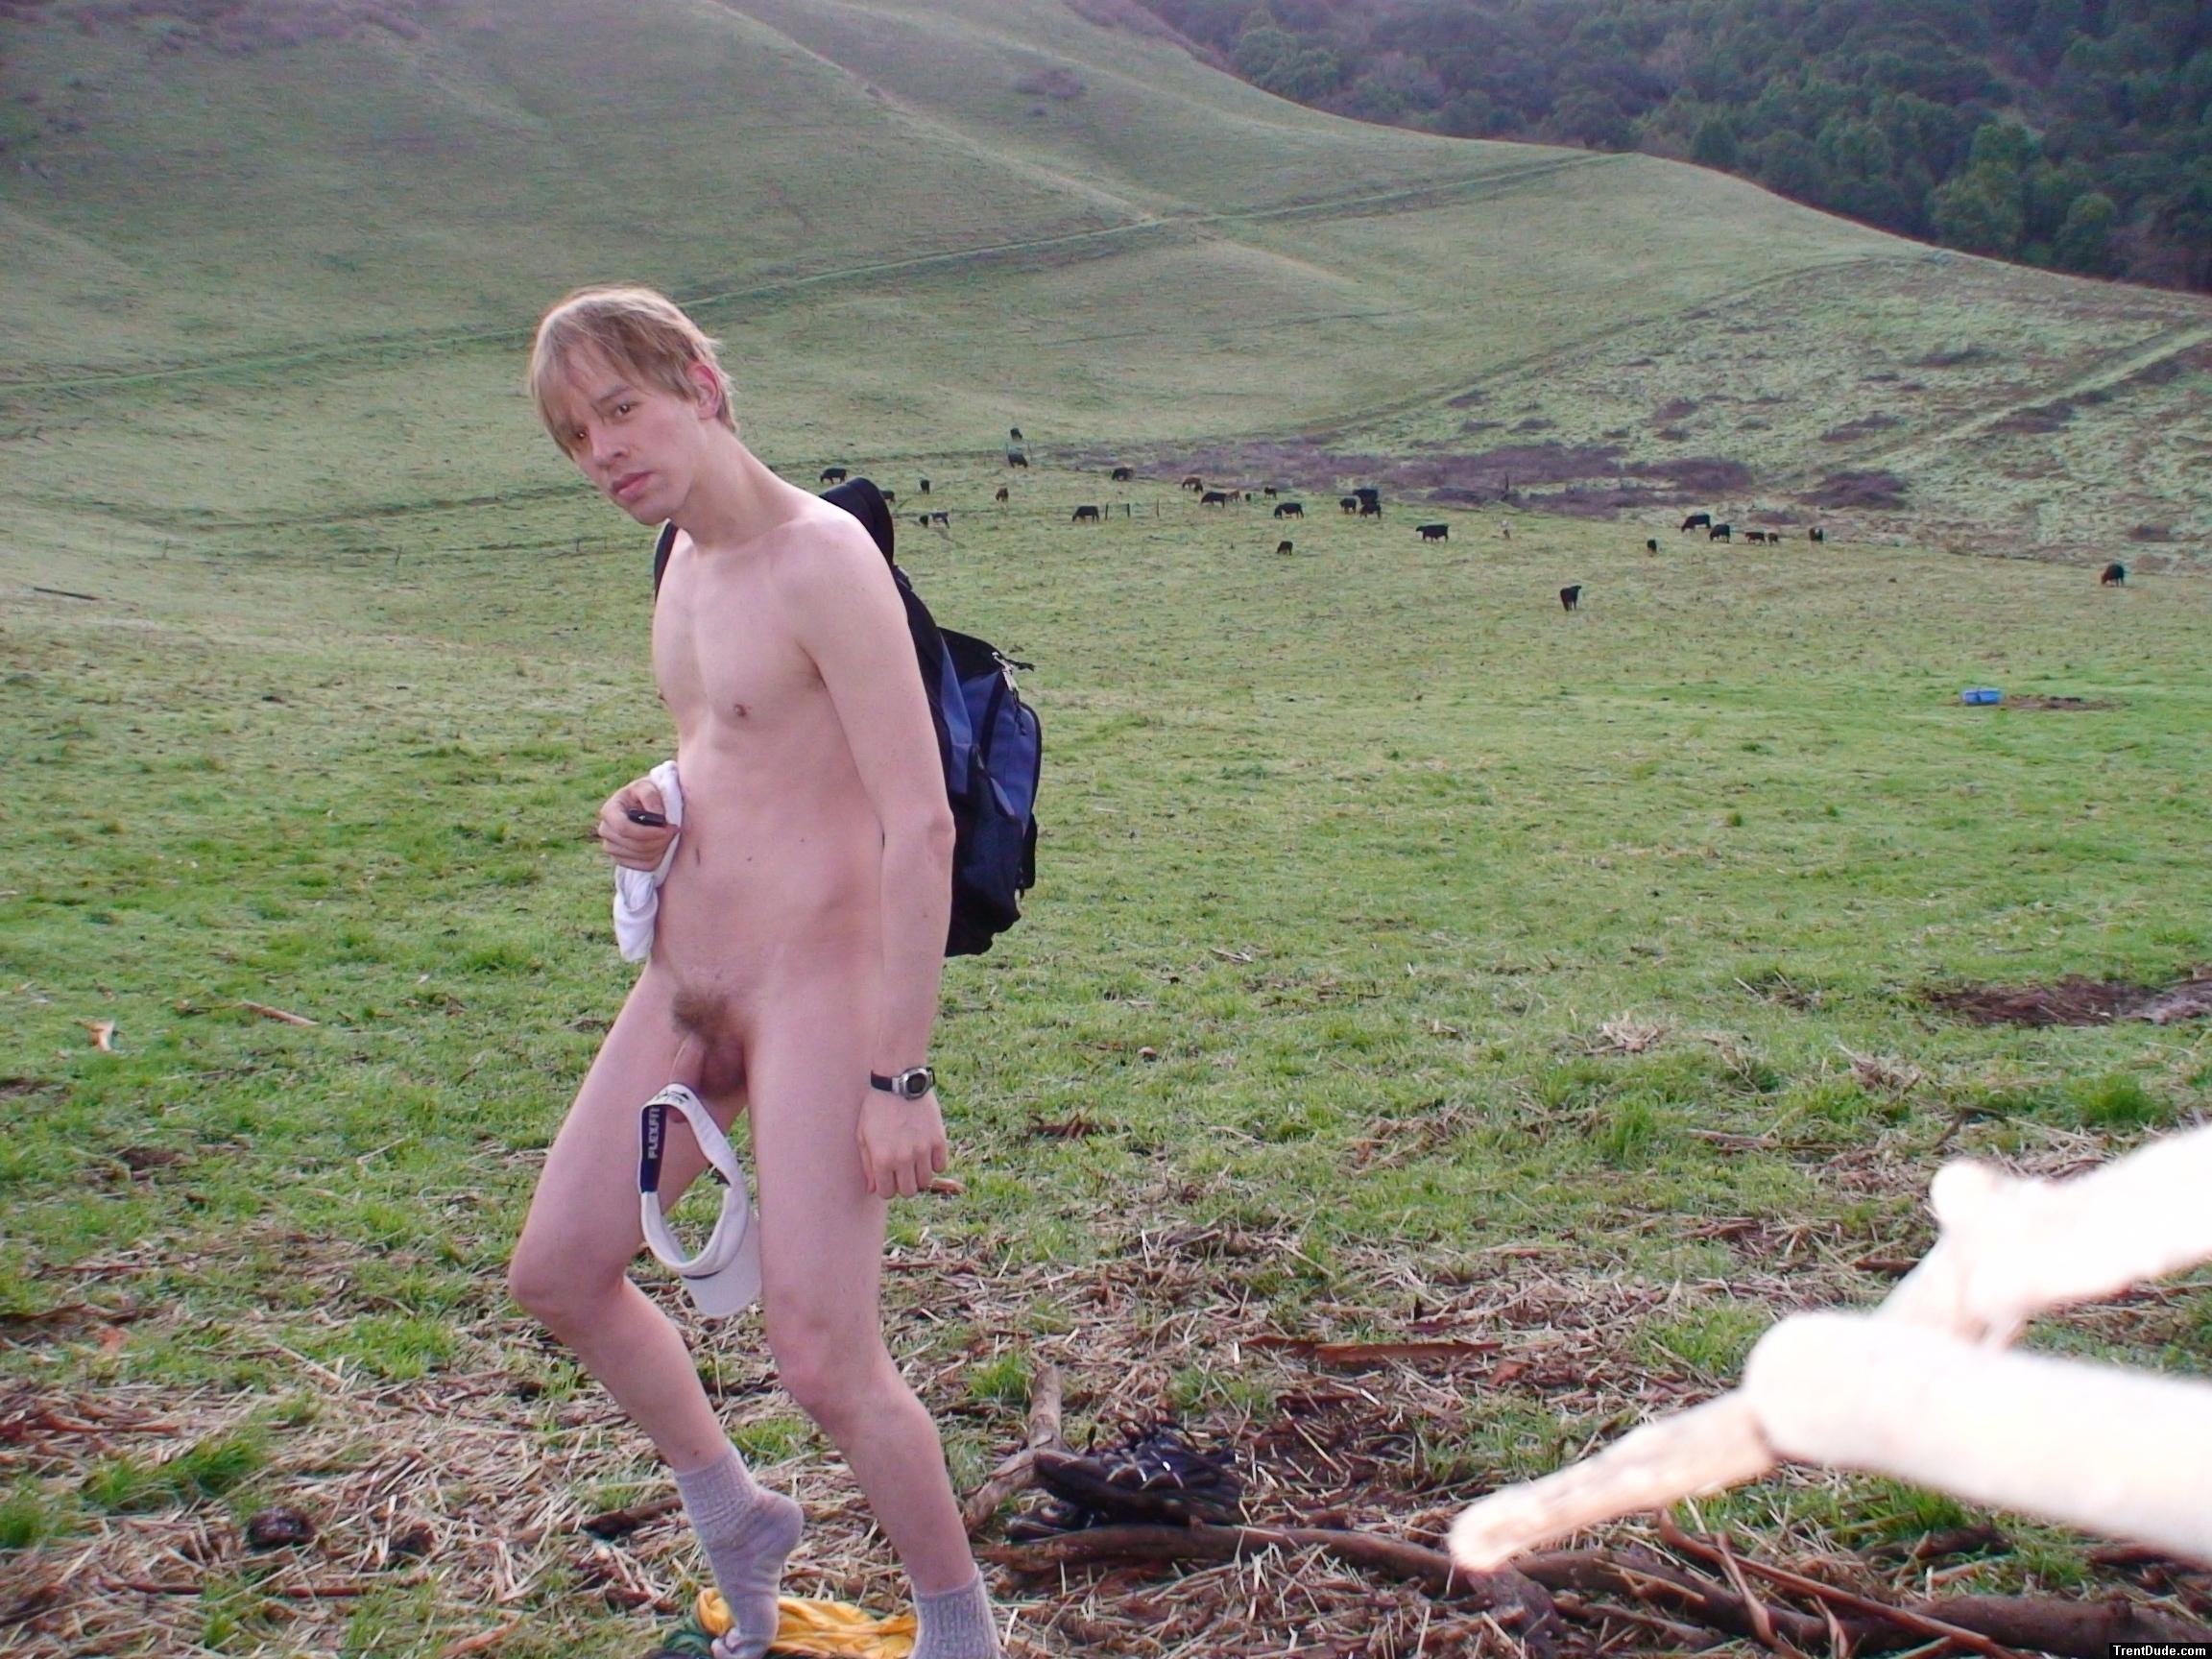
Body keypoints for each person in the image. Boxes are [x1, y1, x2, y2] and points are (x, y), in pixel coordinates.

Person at [508, 285, 999, 1659]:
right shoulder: (679, 557)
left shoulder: (822, 558)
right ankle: (737, 1513)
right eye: (576, 435)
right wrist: (641, 811)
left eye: (622, 409)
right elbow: (726, 750)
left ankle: (961, 1633)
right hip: (686, 981)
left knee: (825, 1358)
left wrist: (899, 1076)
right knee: (559, 1272)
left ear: (702, 386)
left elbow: (920, 824)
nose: (604, 451)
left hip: (816, 999)